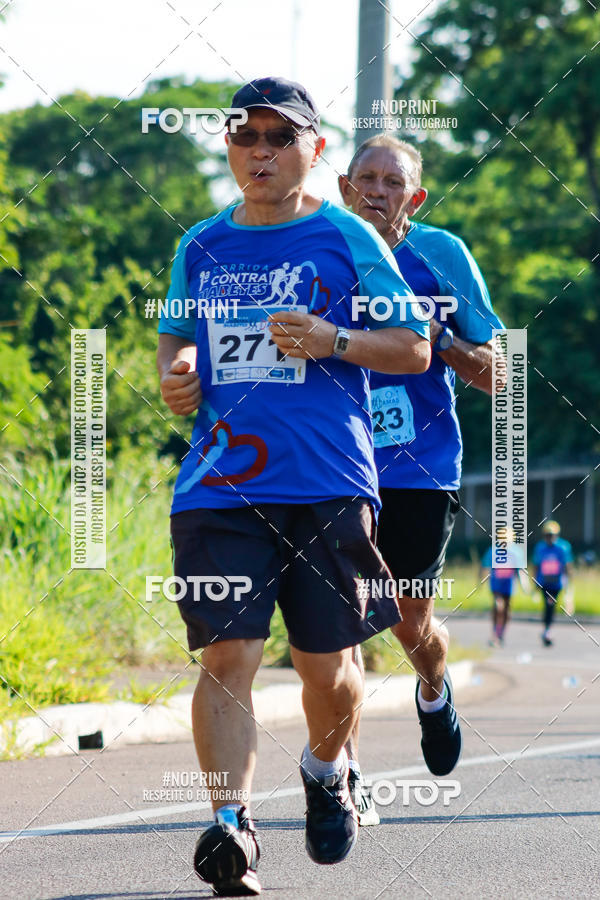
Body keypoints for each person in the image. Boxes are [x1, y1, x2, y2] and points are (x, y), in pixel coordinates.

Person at [157, 80, 430, 895]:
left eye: (281, 136)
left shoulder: (346, 236)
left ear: (314, 147)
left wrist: (333, 338)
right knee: (228, 652)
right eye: (246, 136)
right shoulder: (201, 245)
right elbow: (177, 346)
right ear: (230, 149)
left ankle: (322, 768)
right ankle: (231, 828)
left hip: (327, 481)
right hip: (221, 484)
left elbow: (412, 348)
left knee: (328, 672)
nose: (261, 150)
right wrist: (177, 377)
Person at [338, 134, 505, 825]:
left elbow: (502, 373)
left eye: (392, 181)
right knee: (336, 620)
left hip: (421, 465)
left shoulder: (442, 256)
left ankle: (432, 687)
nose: (377, 190)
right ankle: (342, 777)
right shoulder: (323, 248)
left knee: (410, 619)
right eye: (365, 179)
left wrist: (440, 342)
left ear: (416, 195)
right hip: (335, 462)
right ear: (345, 189)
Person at [481, 527, 529, 646]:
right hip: (496, 585)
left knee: (507, 610)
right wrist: (480, 582)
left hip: (509, 586)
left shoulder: (516, 552)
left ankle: (501, 633)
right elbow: (484, 567)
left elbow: (521, 571)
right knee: (498, 607)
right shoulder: (492, 551)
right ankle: (494, 634)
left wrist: (525, 586)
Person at [533, 520, 573, 646]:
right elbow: (536, 565)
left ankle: (547, 629)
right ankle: (547, 629)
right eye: (548, 535)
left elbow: (567, 566)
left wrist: (569, 584)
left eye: (552, 535)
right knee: (548, 604)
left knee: (551, 604)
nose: (550, 538)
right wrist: (535, 583)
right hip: (544, 582)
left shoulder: (563, 547)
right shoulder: (540, 548)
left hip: (557, 582)